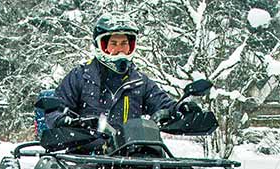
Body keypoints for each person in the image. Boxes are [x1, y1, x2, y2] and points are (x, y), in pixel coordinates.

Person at [44, 15, 181, 131]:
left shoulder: (140, 82)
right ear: (102, 45)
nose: (119, 49)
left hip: (131, 153)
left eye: (124, 43)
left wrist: (181, 109)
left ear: (130, 46)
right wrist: (65, 121)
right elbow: (56, 109)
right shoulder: (80, 76)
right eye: (113, 43)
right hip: (87, 153)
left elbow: (163, 104)